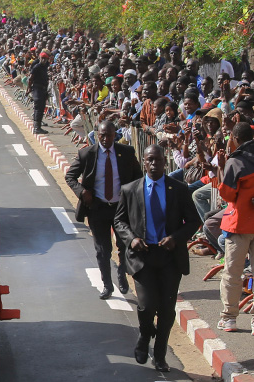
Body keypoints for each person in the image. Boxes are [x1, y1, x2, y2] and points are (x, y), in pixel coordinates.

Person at [113, 144, 201, 372]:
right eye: (150, 160)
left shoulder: (179, 189)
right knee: (146, 305)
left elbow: (193, 221)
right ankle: (144, 335)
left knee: (167, 309)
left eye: (158, 160)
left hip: (169, 256)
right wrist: (132, 239)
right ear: (144, 162)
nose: (154, 164)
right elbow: (120, 221)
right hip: (142, 256)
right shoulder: (130, 189)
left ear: (165, 161)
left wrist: (175, 237)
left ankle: (160, 354)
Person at [65, 121, 142, 300]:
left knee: (124, 246)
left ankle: (122, 274)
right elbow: (70, 176)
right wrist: (82, 192)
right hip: (97, 208)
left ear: (115, 134)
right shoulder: (87, 154)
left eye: (109, 135)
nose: (106, 139)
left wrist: (131, 198)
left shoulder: (126, 153)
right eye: (102, 135)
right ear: (97, 135)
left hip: (120, 209)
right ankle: (107, 285)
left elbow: (138, 178)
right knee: (102, 250)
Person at [215, 122, 254, 332]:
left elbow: (227, 194)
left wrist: (221, 166)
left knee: (232, 272)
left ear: (235, 139)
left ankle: (229, 318)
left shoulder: (235, 161)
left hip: (239, 225)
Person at [27, 52, 51, 134]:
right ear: (39, 58)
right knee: (38, 108)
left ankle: (38, 126)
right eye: (42, 58)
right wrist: (29, 88)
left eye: (45, 58)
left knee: (41, 108)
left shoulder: (45, 67)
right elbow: (30, 78)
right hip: (37, 89)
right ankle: (37, 127)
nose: (43, 60)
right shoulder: (37, 67)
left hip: (43, 89)